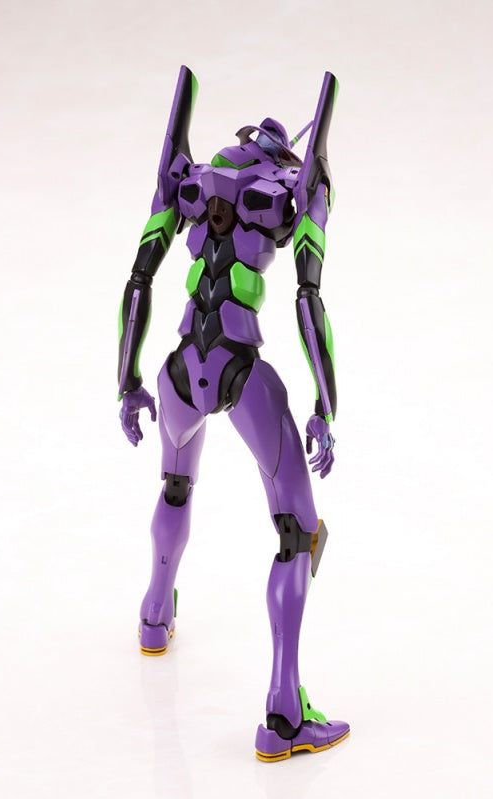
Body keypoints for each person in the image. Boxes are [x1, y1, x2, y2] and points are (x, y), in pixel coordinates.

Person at [117, 66, 349, 761]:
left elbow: (139, 278)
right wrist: (326, 405)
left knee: (175, 486)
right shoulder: (293, 192)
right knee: (298, 532)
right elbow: (309, 302)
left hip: (181, 368)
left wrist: (128, 379)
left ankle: (154, 616)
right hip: (240, 372)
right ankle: (283, 716)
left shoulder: (192, 182)